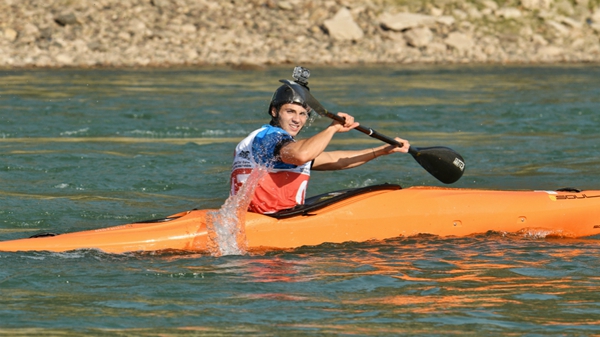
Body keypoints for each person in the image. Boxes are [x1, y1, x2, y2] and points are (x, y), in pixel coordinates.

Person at [230, 82, 411, 214]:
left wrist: (382, 150)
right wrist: (332, 128)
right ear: (274, 111)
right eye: (290, 111)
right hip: (268, 222)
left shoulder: (280, 146)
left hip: (272, 218)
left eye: (303, 114)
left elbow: (335, 160)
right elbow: (302, 155)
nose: (297, 119)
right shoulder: (269, 137)